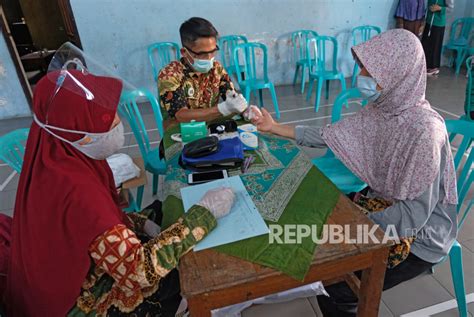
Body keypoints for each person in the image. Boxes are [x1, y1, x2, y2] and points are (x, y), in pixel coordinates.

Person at [4, 59, 236, 316]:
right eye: (106, 120)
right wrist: (204, 214)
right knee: (174, 277)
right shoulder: (77, 192)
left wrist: (138, 223)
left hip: (67, 262)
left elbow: (100, 223)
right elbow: (139, 271)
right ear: (81, 133)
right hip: (74, 299)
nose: (117, 122)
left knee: (160, 212)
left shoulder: (56, 158)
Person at [251, 29, 458, 316]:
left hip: (421, 237)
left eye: (369, 69)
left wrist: (350, 230)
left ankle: (342, 301)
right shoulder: (384, 109)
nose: (360, 74)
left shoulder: (425, 132)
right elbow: (334, 135)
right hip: (383, 204)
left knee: (334, 284)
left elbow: (412, 217)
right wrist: (274, 127)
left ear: (398, 73)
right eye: (362, 66)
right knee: (311, 222)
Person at [158, 17, 247, 123]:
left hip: (210, 129)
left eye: (213, 51)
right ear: (184, 52)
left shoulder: (216, 69)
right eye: (202, 54)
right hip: (180, 135)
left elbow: (231, 98)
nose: (209, 58)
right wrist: (222, 109)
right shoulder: (170, 75)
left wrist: (245, 109)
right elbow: (181, 115)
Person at [421, 0, 454, 76]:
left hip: (438, 24)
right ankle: (425, 65)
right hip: (428, 22)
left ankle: (434, 67)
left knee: (435, 46)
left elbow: (451, 8)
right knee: (425, 44)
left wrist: (440, 8)